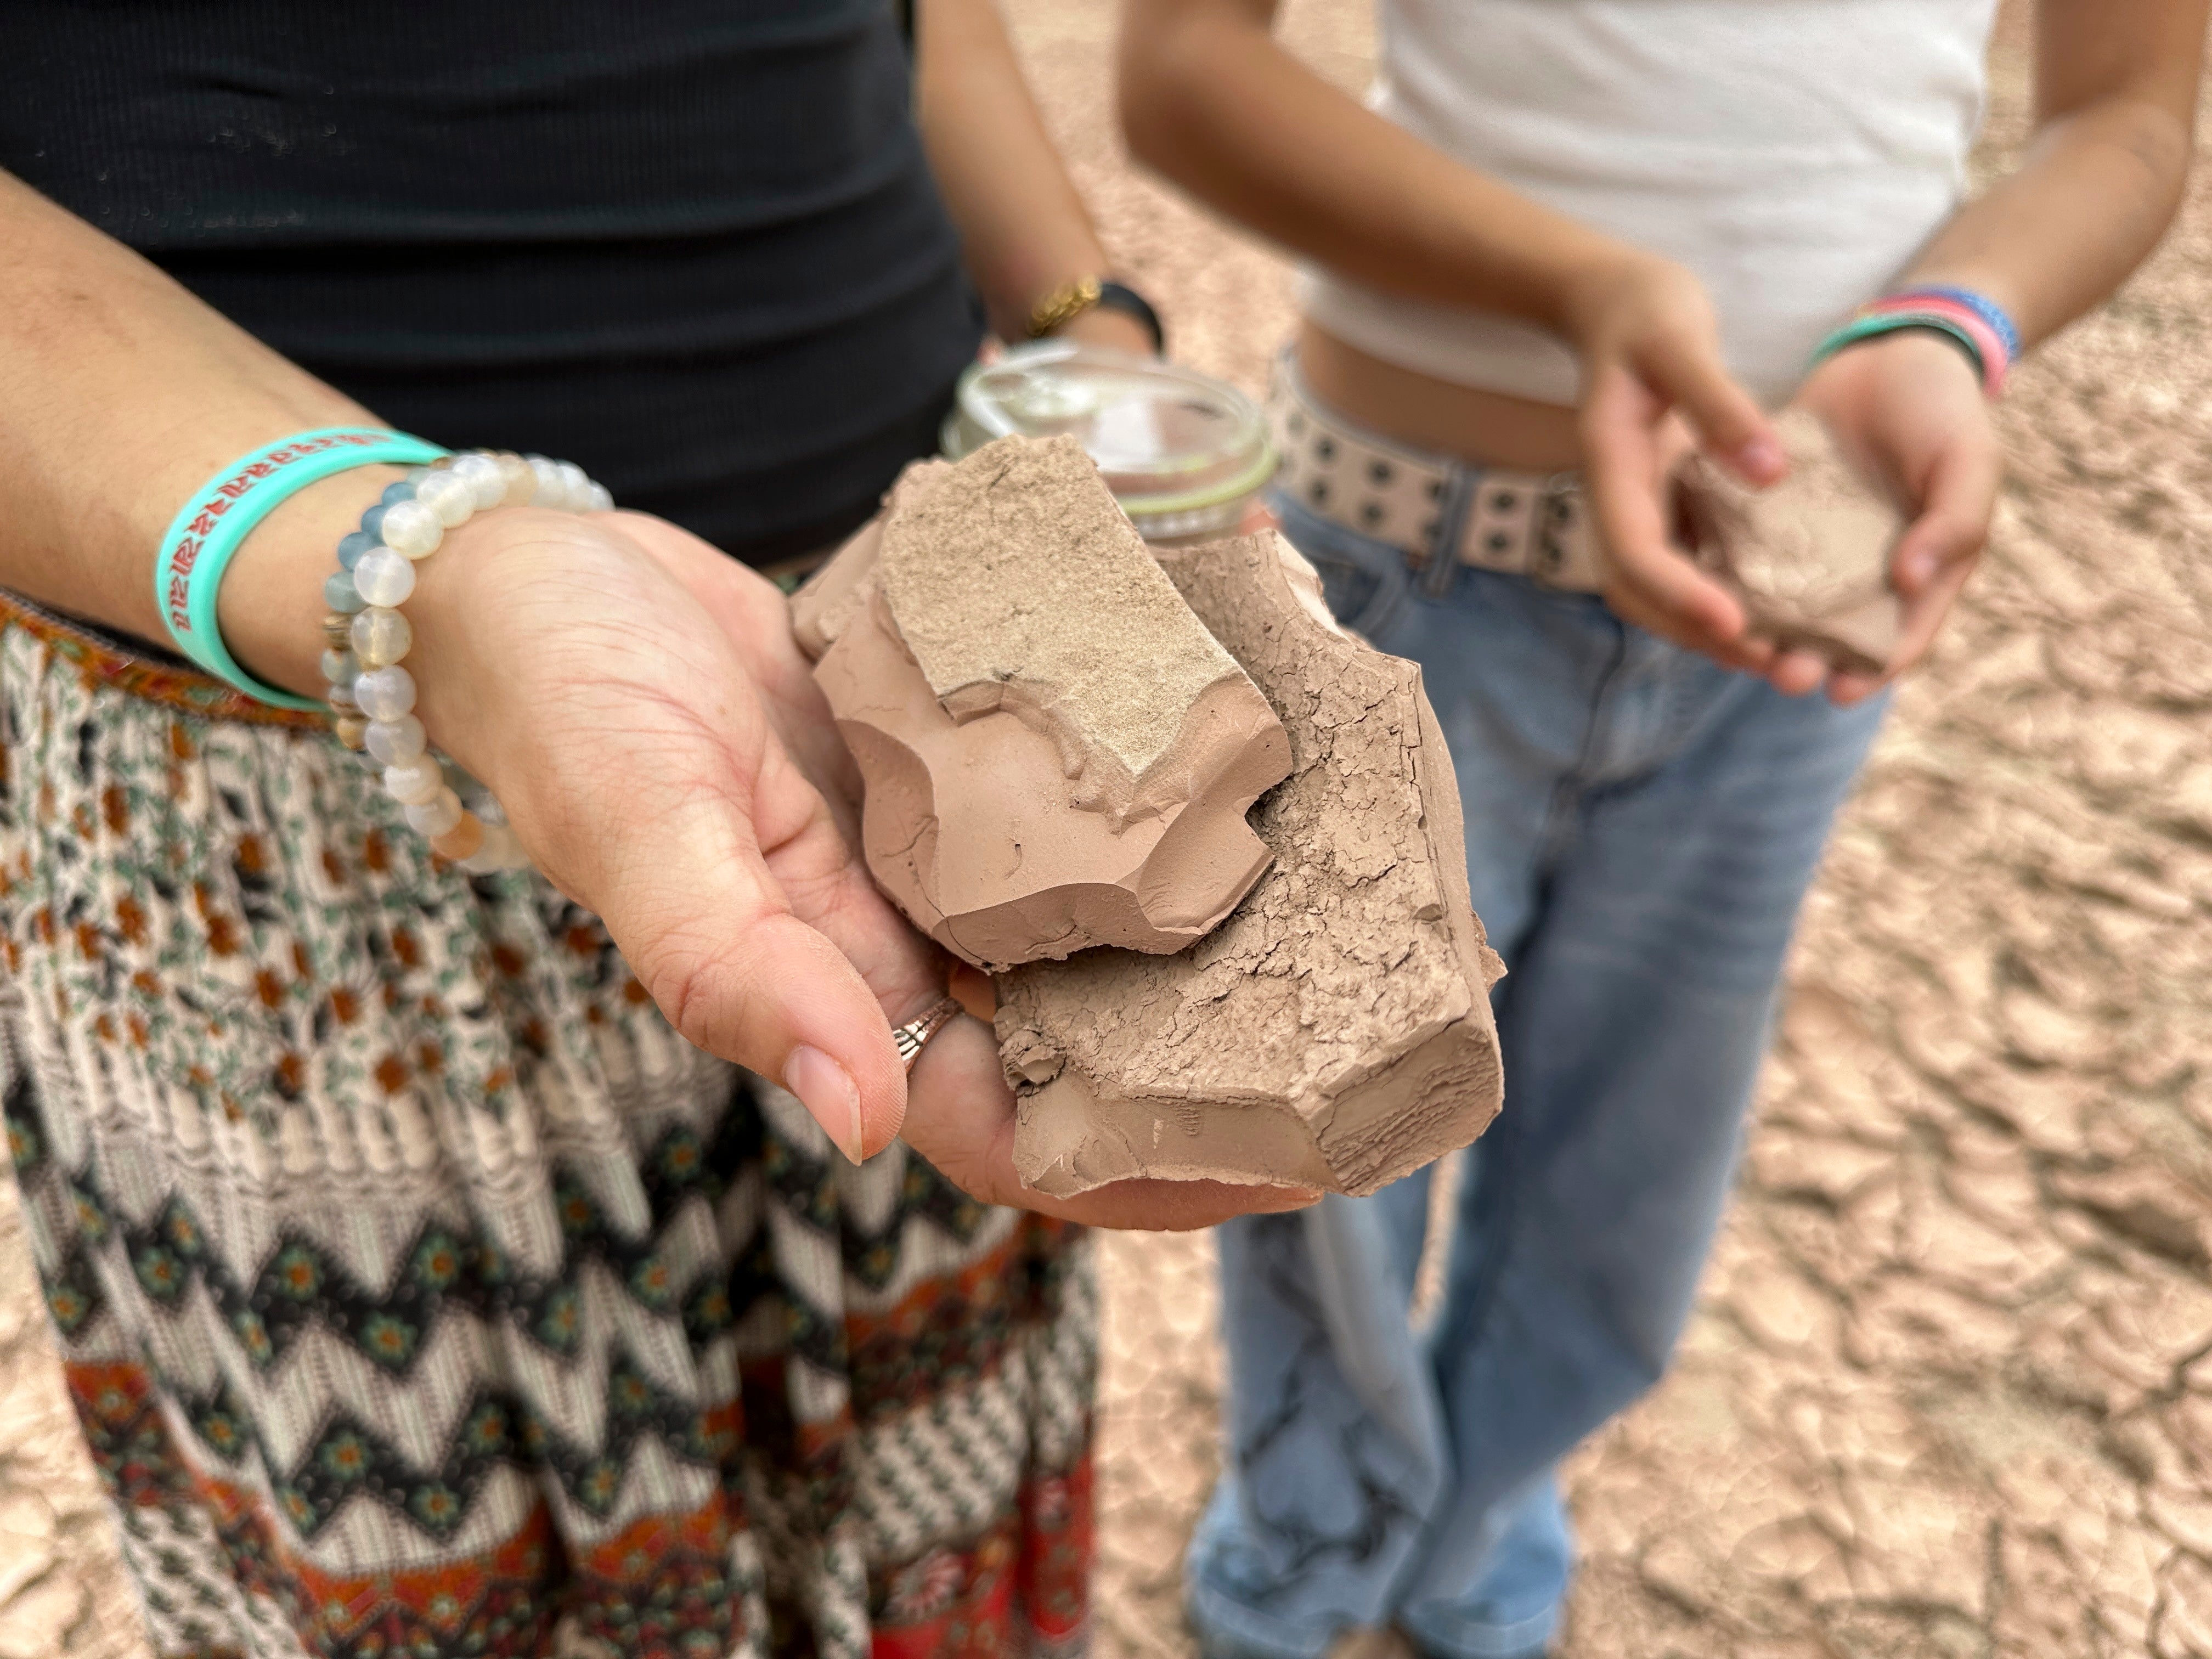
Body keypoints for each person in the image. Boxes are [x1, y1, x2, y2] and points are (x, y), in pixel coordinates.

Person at [0, 1, 1306, 1654]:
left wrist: (1084, 340)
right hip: (326, 806)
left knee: (928, 1504)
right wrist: (429, 572)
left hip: (921, 702)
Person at [1116, 1, 2207, 1654]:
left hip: (1788, 635)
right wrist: (1582, 286)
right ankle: (1305, 1547)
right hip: (1397, 579)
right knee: (1314, 1164)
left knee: (1629, 1184)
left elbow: (2126, 112)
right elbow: (1184, 70)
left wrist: (1952, 323)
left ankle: (1472, 1534)